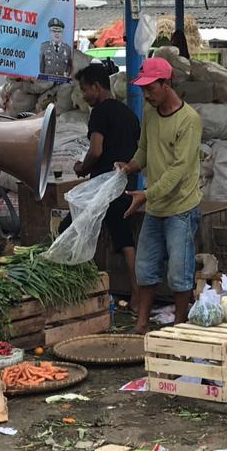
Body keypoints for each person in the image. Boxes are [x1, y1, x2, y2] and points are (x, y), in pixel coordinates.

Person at [116, 57, 202, 335]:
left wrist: (146, 194)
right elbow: (144, 149)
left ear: (166, 84)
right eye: (144, 89)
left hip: (180, 207)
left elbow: (179, 170)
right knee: (145, 268)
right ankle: (141, 325)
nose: (146, 95)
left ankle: (179, 327)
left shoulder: (189, 120)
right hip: (155, 205)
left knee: (179, 272)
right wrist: (129, 166)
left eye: (150, 89)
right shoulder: (151, 114)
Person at [73, 60, 140, 295]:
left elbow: (96, 150)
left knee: (75, 230)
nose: (83, 96)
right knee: (125, 241)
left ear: (96, 87)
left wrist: (82, 167)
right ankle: (136, 294)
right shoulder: (128, 113)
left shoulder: (100, 112)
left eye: (84, 89)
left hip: (104, 187)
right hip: (125, 184)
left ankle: (79, 291)